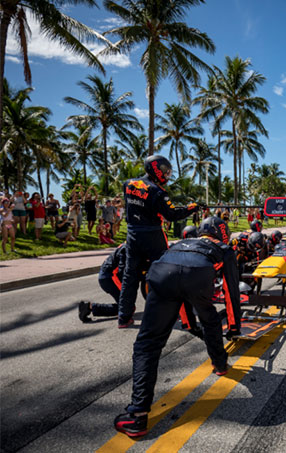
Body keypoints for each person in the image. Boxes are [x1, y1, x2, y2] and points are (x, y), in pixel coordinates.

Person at [113, 217, 241, 438]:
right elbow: (231, 291)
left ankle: (137, 416)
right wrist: (233, 326)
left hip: (162, 272)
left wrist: (189, 324)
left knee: (148, 344)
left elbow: (178, 290)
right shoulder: (223, 247)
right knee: (210, 319)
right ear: (222, 233)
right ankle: (220, 364)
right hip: (199, 274)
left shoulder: (180, 243)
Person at [117, 155, 200, 329]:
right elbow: (172, 214)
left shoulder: (128, 184)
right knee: (163, 273)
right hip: (152, 235)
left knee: (129, 276)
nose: (167, 175)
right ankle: (168, 313)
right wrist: (192, 207)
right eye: (165, 172)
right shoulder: (157, 192)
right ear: (156, 169)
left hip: (132, 235)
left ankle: (124, 317)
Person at [79, 243, 129, 323]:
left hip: (107, 275)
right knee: (126, 308)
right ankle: (89, 307)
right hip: (109, 278)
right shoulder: (126, 248)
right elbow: (121, 270)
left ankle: (89, 307)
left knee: (127, 306)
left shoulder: (126, 244)